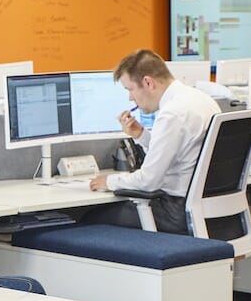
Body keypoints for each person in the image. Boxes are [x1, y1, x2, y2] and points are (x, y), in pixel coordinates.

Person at [89, 49, 220, 232]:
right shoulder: (201, 100)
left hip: (177, 213)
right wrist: (141, 135)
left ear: (148, 82)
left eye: (130, 89)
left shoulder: (172, 113)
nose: (130, 98)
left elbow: (148, 182)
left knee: (89, 217)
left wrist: (109, 181)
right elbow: (180, 153)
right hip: (210, 212)